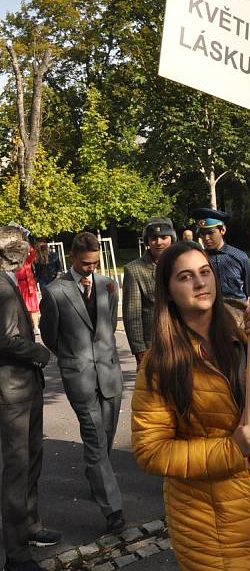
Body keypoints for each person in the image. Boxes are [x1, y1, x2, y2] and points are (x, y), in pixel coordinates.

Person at [131, 241, 250, 571]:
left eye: (205, 272)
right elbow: (150, 451)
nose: (200, 283)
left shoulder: (244, 341)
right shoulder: (161, 365)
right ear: (168, 292)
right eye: (185, 277)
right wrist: (231, 449)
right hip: (214, 536)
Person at [40, 231, 125, 533]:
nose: (91, 268)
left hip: (111, 374)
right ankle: (113, 510)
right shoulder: (55, 291)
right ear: (74, 257)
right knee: (95, 439)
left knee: (107, 435)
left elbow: (110, 323)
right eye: (86, 263)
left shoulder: (108, 285)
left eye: (95, 263)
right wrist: (72, 358)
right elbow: (50, 334)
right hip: (79, 377)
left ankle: (98, 479)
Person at [0, 225, 62, 571]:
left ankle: (32, 527)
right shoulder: (2, 287)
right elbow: (6, 341)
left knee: (31, 460)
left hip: (23, 389)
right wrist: (39, 353)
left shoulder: (7, 282)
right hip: (13, 393)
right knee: (18, 469)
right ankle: (17, 553)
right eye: (23, 247)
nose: (28, 252)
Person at [122, 217, 176, 367]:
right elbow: (132, 315)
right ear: (147, 241)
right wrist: (140, 351)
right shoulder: (134, 270)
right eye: (153, 238)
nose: (159, 243)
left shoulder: (182, 263)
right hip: (153, 346)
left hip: (183, 342)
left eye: (164, 237)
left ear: (172, 239)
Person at [192, 207, 250, 323]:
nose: (206, 238)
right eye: (202, 234)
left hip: (239, 315)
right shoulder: (200, 259)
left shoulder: (239, 256)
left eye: (210, 233)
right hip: (210, 316)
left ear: (222, 230)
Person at [15, 236, 40, 335]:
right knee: (20, 308)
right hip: (18, 285)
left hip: (29, 286)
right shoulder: (14, 262)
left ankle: (36, 327)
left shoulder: (28, 260)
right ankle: (24, 328)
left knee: (33, 308)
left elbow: (33, 252)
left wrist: (25, 241)